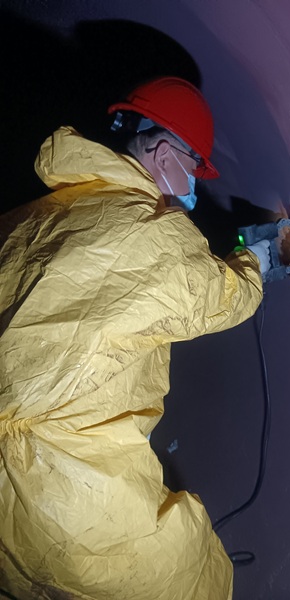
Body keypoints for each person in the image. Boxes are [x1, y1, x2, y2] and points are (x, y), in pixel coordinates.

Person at [0, 76, 270, 599]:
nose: (194, 185)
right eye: (194, 167)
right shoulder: (152, 229)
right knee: (185, 576)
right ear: (165, 154)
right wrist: (260, 260)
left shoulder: (52, 208)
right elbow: (215, 296)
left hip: (17, 480)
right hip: (54, 475)